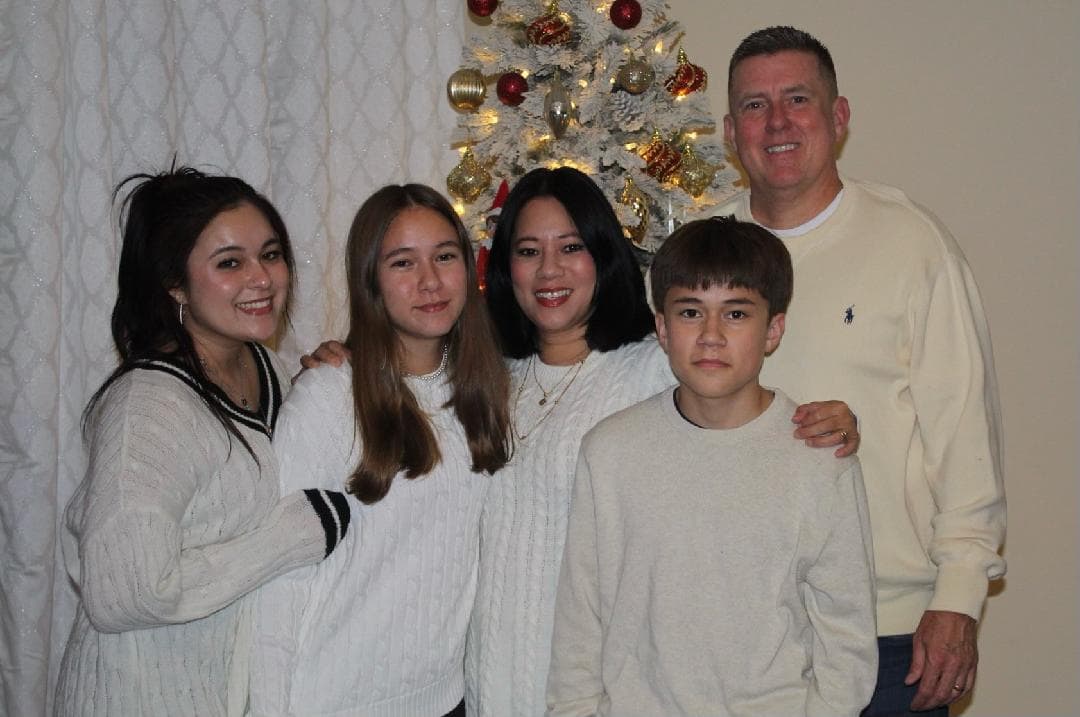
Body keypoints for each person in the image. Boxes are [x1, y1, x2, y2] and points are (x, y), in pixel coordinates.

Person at [300, 167, 859, 716]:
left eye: (570, 247)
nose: (549, 270)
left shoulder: (653, 369)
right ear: (503, 269)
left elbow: (740, 404)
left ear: (603, 255)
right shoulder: (482, 379)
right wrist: (345, 360)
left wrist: (829, 418)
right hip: (488, 678)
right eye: (527, 251)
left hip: (601, 690)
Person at [719, 26, 1006, 716]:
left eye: (798, 99)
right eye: (756, 106)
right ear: (731, 131)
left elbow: (965, 433)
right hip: (738, 631)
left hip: (891, 636)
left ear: (839, 116)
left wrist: (958, 598)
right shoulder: (702, 254)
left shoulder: (912, 245)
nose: (778, 122)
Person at [546, 216, 877, 716]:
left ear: (774, 330)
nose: (711, 336)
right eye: (690, 312)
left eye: (737, 314)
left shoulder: (818, 458)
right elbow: (580, 624)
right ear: (662, 328)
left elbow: (846, 636)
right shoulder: (611, 452)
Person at [54, 167, 351, 717]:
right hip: (138, 698)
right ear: (175, 284)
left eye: (270, 254)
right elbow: (124, 591)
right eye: (229, 263)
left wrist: (324, 382)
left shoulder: (267, 366)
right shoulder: (148, 408)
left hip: (222, 692)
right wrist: (292, 536)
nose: (261, 278)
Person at [247, 184, 511, 716]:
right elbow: (277, 582)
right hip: (333, 700)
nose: (430, 281)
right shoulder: (328, 396)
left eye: (444, 256)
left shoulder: (492, 393)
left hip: (445, 700)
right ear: (371, 280)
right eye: (402, 263)